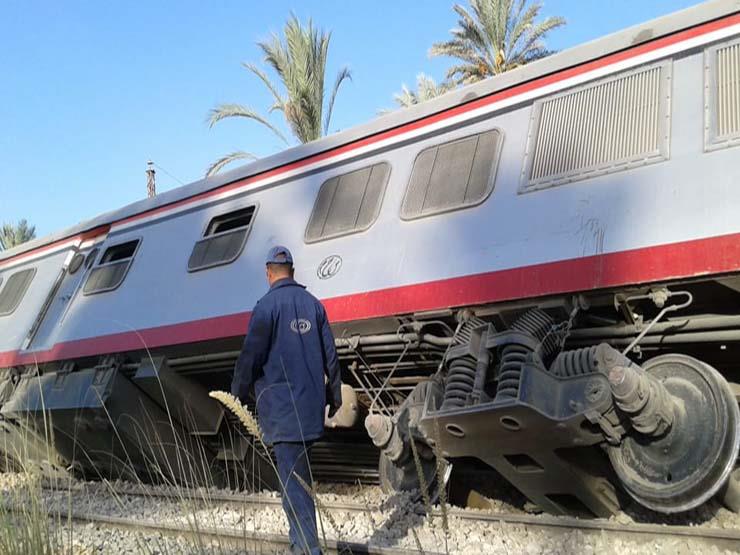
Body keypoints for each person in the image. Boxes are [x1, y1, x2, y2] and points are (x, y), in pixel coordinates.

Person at [231, 245, 342, 555]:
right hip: (309, 412)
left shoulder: (266, 308)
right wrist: (334, 398)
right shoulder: (315, 306)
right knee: (297, 483)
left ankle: (307, 550)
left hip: (282, 414)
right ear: (293, 271)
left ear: (269, 274)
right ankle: (301, 545)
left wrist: (235, 396)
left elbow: (250, 357)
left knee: (294, 489)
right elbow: (331, 359)